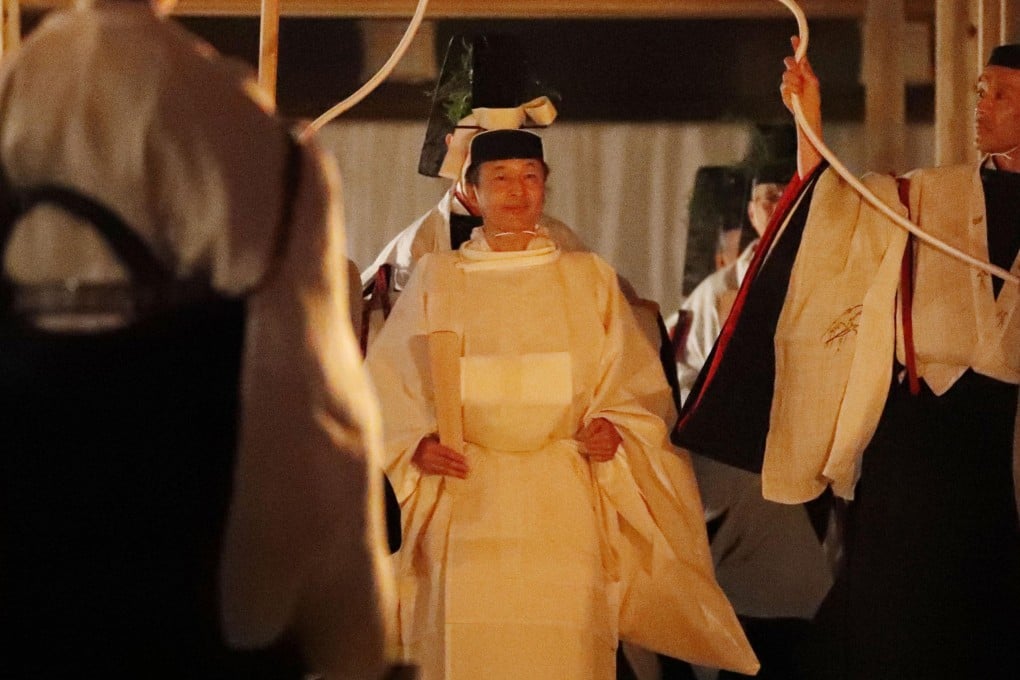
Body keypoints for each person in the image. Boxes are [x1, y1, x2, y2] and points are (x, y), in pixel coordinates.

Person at [0, 1, 397, 677]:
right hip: (188, 561)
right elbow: (302, 398)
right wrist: (350, 638)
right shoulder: (245, 132)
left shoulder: (14, 100)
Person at [365, 129, 758, 680]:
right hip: (466, 497)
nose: (517, 192)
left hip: (562, 503)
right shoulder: (439, 276)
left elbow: (634, 391)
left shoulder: (587, 279)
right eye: (500, 178)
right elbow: (386, 393)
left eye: (530, 177)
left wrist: (613, 430)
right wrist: (415, 447)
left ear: (546, 187)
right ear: (473, 193)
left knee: (561, 654)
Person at [759, 38, 1020, 678]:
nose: (981, 105)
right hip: (913, 436)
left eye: (1002, 94)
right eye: (979, 90)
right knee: (891, 616)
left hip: (1001, 439)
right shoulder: (930, 193)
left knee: (989, 619)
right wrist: (808, 119)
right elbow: (835, 208)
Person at [675, 163, 834, 680]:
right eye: (767, 196)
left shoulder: (830, 278)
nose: (775, 206)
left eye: (787, 192)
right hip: (736, 458)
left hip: (814, 454)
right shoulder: (716, 291)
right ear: (750, 209)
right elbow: (683, 381)